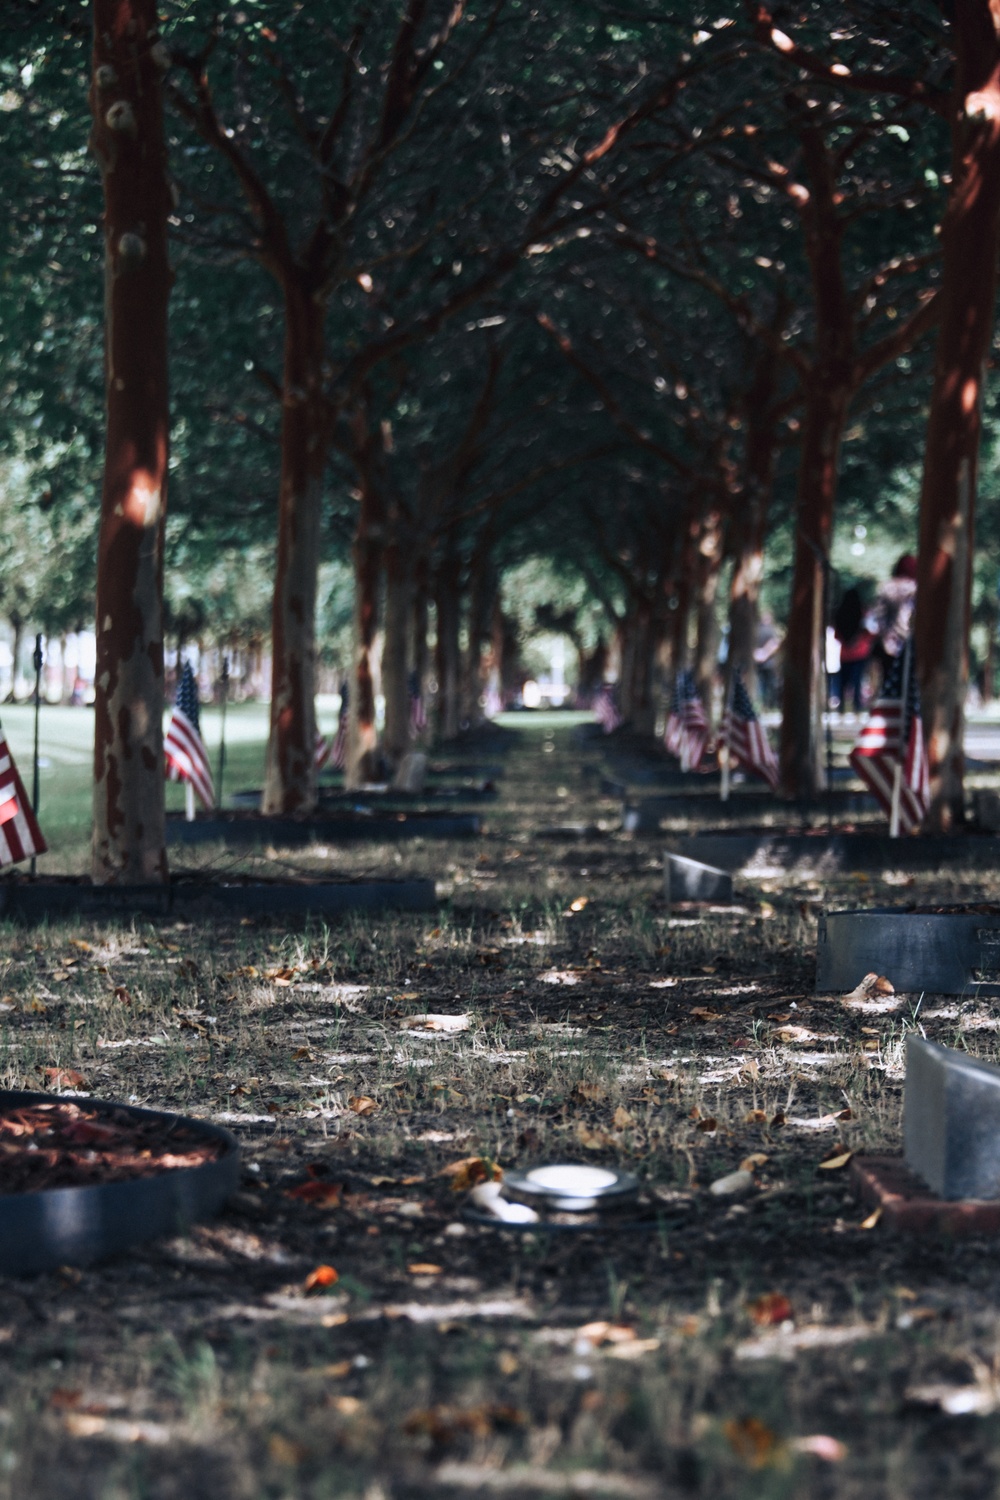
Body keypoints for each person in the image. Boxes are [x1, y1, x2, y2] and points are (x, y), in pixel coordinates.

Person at [866, 554, 917, 670]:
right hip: (908, 642)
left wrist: (885, 634)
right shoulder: (915, 588)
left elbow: (878, 615)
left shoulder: (885, 587)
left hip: (886, 643)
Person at [833, 586, 872, 715]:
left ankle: (841, 708)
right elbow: (870, 633)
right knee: (857, 681)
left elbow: (836, 636)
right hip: (860, 653)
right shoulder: (863, 614)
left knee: (842, 682)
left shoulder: (840, 615)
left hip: (844, 655)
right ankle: (857, 706)